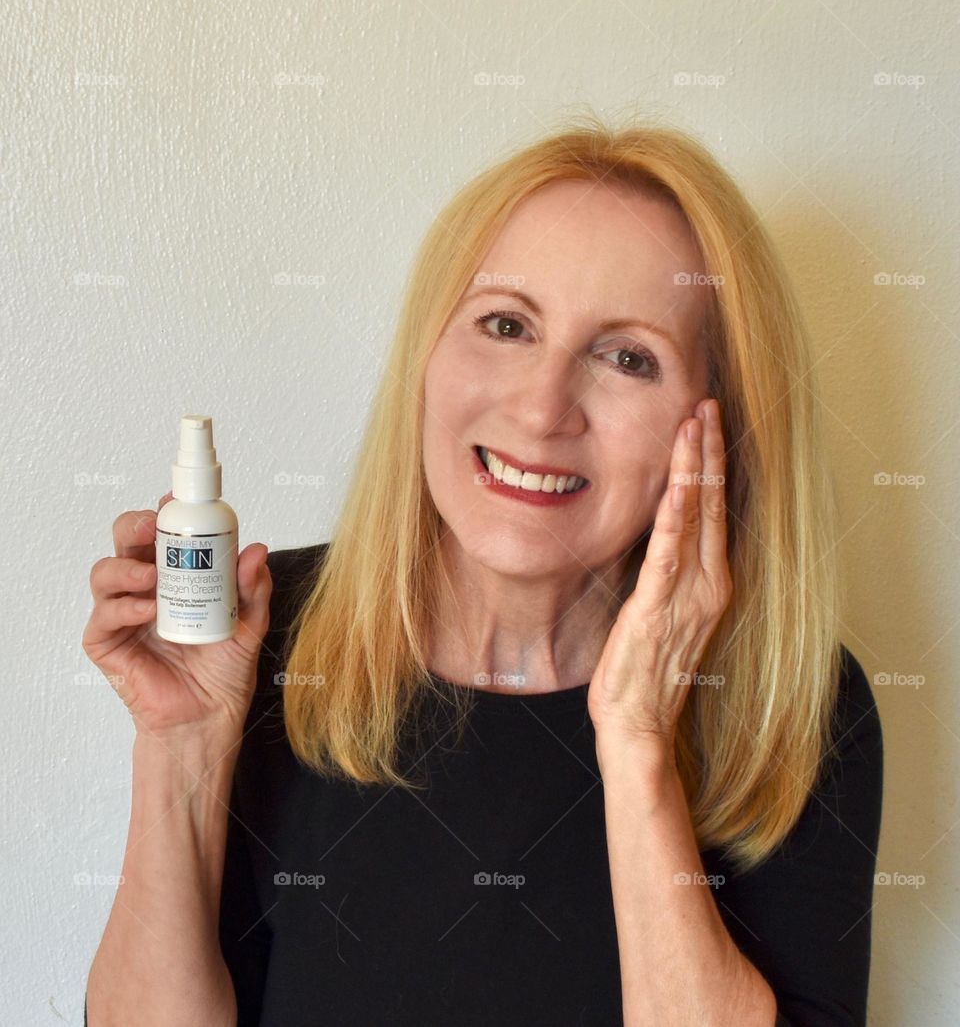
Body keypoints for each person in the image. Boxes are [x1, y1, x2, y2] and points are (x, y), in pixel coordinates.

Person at [82, 114, 883, 1026]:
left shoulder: (794, 705)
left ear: (715, 433)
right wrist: (181, 749)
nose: (543, 410)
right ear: (428, 357)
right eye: (506, 324)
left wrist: (635, 742)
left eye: (627, 358)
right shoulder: (268, 636)